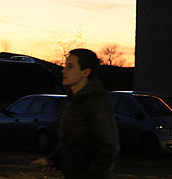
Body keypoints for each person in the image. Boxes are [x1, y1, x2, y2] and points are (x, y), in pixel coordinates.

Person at [31, 48, 119, 178]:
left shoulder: (96, 102)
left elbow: (108, 147)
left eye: (70, 67)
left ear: (85, 72)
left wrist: (90, 174)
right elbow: (71, 143)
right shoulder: (71, 102)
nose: (63, 71)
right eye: (65, 66)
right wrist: (52, 161)